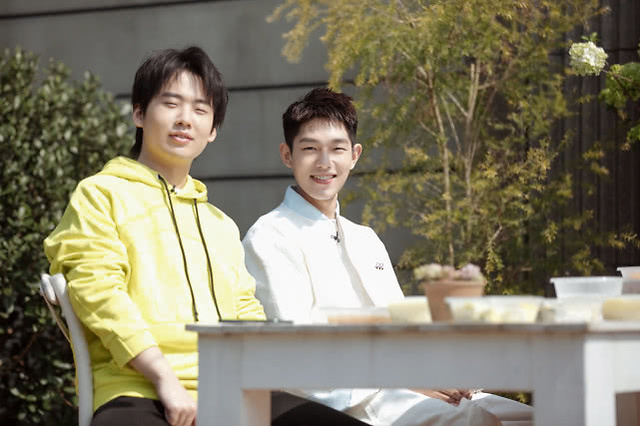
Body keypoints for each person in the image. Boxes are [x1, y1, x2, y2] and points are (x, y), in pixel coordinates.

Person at [242, 88, 534, 425]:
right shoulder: (270, 237)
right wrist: (403, 379)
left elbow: (402, 330)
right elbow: (299, 355)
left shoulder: (365, 238)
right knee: (477, 421)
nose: (324, 162)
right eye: (310, 149)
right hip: (354, 402)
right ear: (287, 155)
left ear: (354, 155)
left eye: (337, 149)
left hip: (411, 384)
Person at [44, 46, 265, 426]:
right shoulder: (100, 195)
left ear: (213, 130)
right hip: (136, 388)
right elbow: (98, 293)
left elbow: (246, 311)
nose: (184, 119)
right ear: (139, 114)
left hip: (232, 388)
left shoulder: (220, 223)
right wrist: (165, 378)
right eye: (171, 104)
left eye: (200, 109)